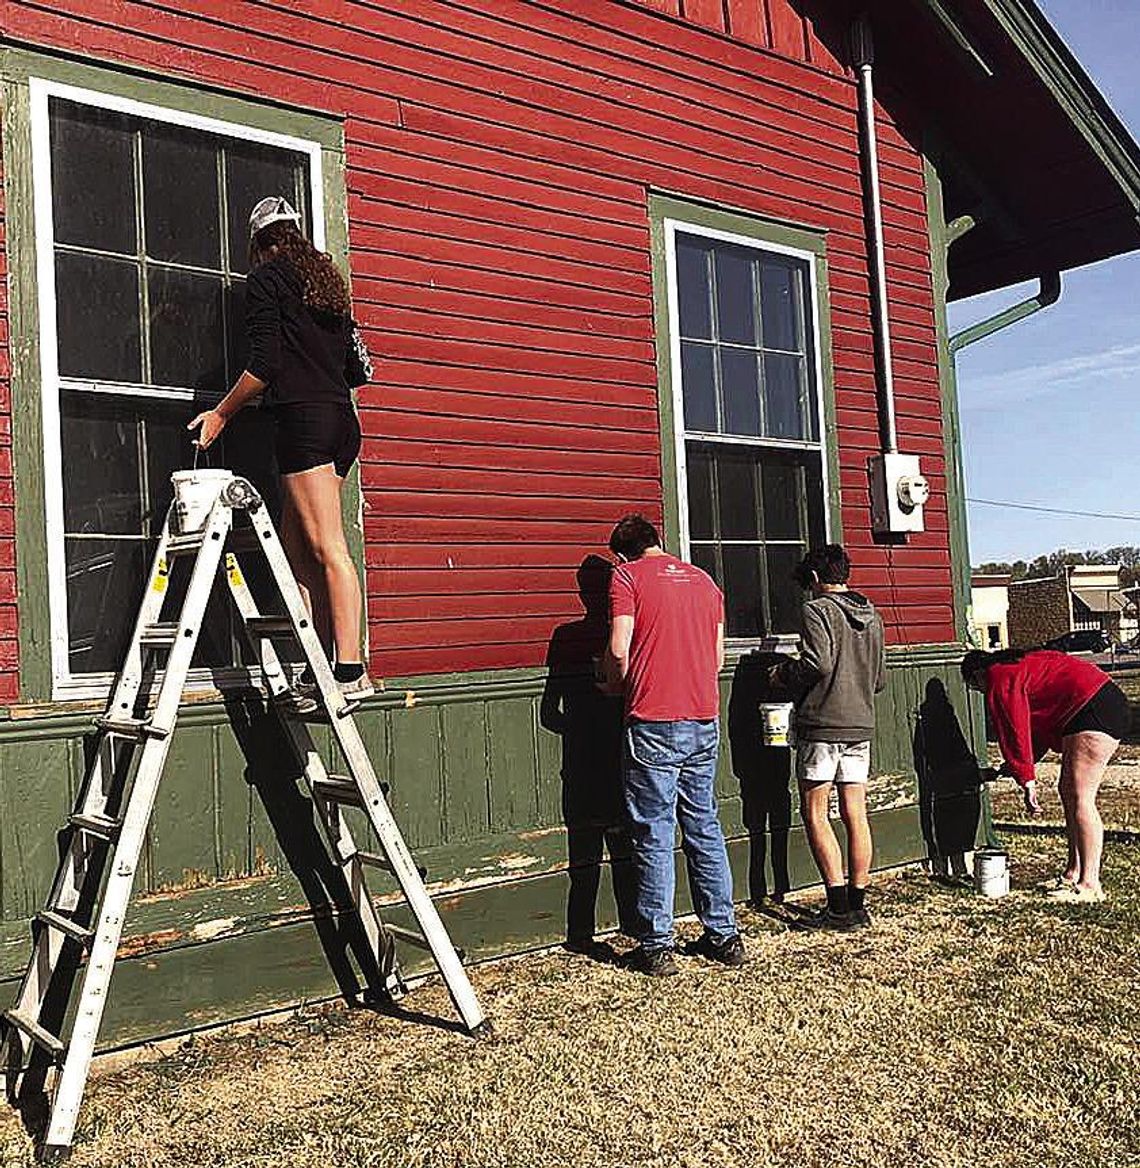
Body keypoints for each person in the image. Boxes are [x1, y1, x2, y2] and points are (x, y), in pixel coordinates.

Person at [188, 196, 373, 701]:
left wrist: (222, 413)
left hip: (305, 423)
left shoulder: (268, 280)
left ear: (257, 244)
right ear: (296, 232)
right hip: (340, 422)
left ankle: (352, 672)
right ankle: (316, 668)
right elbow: (360, 369)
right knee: (297, 549)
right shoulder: (327, 283)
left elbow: (264, 364)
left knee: (327, 547)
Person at [600, 514, 744, 976]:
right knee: (703, 823)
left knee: (654, 830)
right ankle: (723, 934)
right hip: (702, 716)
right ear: (658, 542)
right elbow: (718, 658)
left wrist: (613, 684)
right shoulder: (705, 581)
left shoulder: (625, 577)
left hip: (652, 719)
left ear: (622, 552)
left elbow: (620, 647)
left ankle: (657, 944)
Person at [771, 545, 885, 930]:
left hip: (822, 723)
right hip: (860, 723)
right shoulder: (873, 616)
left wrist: (783, 675)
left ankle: (836, 907)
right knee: (856, 813)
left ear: (816, 579)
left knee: (815, 813)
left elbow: (817, 662)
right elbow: (881, 679)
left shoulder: (816, 610)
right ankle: (858, 904)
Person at [961, 646, 1129, 903]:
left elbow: (1014, 726)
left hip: (1091, 706)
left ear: (977, 675)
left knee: (1081, 796)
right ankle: (1073, 874)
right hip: (1097, 702)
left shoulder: (998, 675)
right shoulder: (1019, 665)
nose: (982, 692)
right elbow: (1034, 733)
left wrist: (1027, 781)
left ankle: (1090, 884)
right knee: (1069, 793)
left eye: (976, 688)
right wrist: (1012, 769)